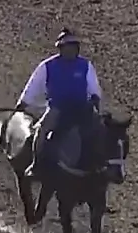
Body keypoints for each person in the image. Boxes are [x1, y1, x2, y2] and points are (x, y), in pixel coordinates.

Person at [14, 28, 104, 176]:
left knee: (102, 131)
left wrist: (95, 100)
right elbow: (34, 85)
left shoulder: (85, 65)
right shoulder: (47, 66)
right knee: (41, 131)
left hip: (82, 108)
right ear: (60, 48)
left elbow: (94, 87)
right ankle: (36, 165)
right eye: (68, 46)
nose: (71, 50)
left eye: (73, 46)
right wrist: (23, 103)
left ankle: (102, 165)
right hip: (57, 108)